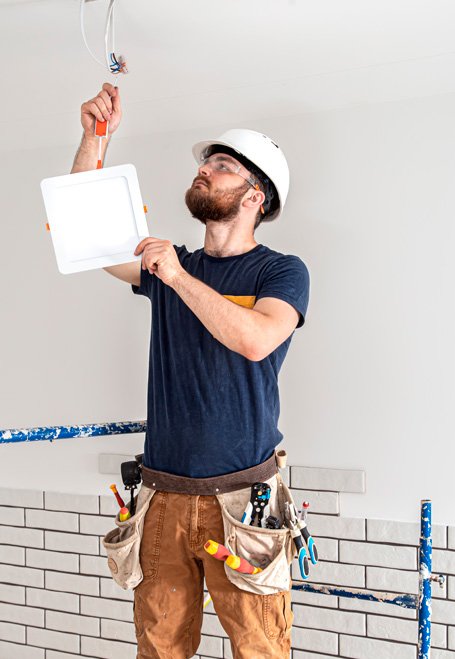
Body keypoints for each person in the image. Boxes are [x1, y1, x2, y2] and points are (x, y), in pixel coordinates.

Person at [72, 82, 310, 658]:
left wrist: (177, 277)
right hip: (164, 498)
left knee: (260, 649)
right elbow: (89, 237)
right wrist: (92, 139)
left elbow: (255, 340)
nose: (206, 171)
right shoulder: (168, 266)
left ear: (256, 196)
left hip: (244, 504)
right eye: (206, 164)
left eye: (222, 166)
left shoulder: (281, 273)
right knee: (159, 649)